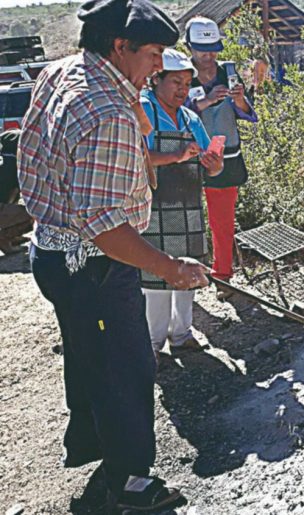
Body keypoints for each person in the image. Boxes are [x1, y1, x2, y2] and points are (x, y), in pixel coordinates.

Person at [17, 0, 209, 510]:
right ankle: (127, 482)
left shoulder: (64, 72)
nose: (159, 67)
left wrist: (135, 113)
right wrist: (172, 269)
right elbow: (106, 228)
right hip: (93, 265)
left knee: (90, 358)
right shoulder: (106, 114)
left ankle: (92, 445)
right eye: (153, 55)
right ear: (119, 47)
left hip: (53, 252)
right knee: (125, 368)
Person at [140, 49, 224, 356]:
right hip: (154, 209)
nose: (182, 90)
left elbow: (212, 166)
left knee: (190, 273)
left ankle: (182, 334)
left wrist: (214, 164)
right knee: (156, 279)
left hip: (189, 208)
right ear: (156, 79)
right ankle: (152, 344)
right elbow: (138, 157)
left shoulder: (190, 117)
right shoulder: (143, 110)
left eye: (187, 83)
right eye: (175, 81)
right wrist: (175, 156)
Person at [184, 16, 258, 288]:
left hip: (226, 157)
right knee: (184, 220)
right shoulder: (178, 73)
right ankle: (181, 275)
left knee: (222, 222)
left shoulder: (229, 71)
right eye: (203, 49)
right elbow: (167, 112)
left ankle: (223, 275)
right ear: (189, 47)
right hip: (185, 159)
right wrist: (204, 101)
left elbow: (247, 114)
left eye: (213, 48)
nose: (209, 55)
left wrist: (239, 99)